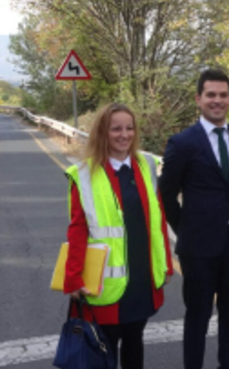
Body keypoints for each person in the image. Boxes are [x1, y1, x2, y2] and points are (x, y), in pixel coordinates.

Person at [64, 102, 174, 369]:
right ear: (103, 132)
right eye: (116, 129)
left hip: (142, 276)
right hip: (106, 280)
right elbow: (77, 230)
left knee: (135, 340)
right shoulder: (85, 174)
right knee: (106, 347)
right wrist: (73, 277)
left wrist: (166, 265)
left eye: (129, 128)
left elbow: (158, 220)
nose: (124, 135)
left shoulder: (147, 165)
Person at [159, 69, 229, 369]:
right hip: (198, 247)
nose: (217, 100)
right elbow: (166, 194)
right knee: (198, 317)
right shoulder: (182, 142)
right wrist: (186, 229)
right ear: (198, 99)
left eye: (223, 95)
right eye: (211, 95)